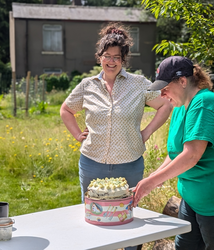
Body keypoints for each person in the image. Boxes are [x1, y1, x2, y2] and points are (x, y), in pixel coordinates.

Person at [132, 56, 214, 250]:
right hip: (194, 198)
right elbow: (175, 153)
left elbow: (191, 155)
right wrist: (154, 178)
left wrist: (151, 183)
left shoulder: (204, 103)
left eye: (165, 87)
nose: (162, 95)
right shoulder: (180, 106)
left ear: (182, 81)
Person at [60, 23, 172, 201]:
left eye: (116, 57)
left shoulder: (139, 84)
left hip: (129, 164)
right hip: (92, 162)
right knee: (92, 211)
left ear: (123, 59)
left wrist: (147, 132)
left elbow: (165, 105)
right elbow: (66, 109)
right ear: (100, 57)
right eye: (107, 56)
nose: (111, 61)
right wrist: (77, 134)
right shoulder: (87, 85)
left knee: (128, 213)